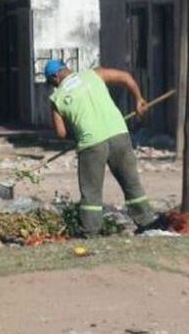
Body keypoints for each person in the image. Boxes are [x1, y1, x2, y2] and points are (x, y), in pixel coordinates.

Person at [45, 60, 163, 235]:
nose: (53, 86)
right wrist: (138, 99)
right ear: (66, 68)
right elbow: (126, 77)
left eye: (51, 83)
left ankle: (91, 231)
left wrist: (76, 134)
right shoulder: (94, 74)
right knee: (131, 183)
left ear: (55, 77)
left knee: (91, 192)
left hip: (91, 143)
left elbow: (61, 133)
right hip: (119, 134)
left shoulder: (56, 98)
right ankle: (147, 221)